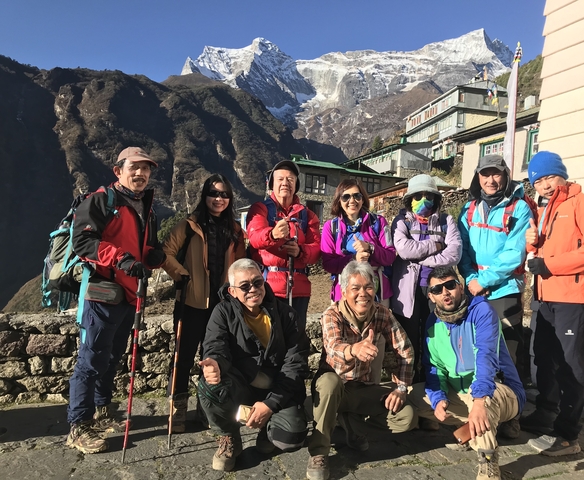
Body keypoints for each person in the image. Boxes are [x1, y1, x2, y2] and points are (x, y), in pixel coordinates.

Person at [66, 147, 166, 453]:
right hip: (102, 291)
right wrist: (120, 259)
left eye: (146, 169)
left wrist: (152, 256)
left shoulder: (145, 207)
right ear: (118, 171)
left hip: (129, 293)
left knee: (111, 356)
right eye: (134, 167)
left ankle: (102, 410)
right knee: (91, 358)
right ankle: (78, 426)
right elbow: (82, 240)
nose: (140, 173)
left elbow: (143, 249)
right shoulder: (99, 201)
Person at [521, 151, 584, 456]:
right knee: (545, 359)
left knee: (571, 368)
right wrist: (532, 242)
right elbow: (543, 252)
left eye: (549, 177)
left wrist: (549, 265)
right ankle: (545, 415)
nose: (544, 184)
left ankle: (568, 436)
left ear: (561, 174)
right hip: (546, 297)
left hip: (574, 298)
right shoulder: (547, 208)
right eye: (538, 180)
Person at [408, 266, 525, 480]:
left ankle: (488, 466)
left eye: (450, 285)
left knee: (482, 401)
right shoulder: (432, 323)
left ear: (460, 287)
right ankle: (470, 427)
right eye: (437, 289)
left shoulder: (482, 311)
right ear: (431, 296)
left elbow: (486, 358)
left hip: (497, 389)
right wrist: (438, 398)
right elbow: (434, 367)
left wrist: (479, 400)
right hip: (460, 392)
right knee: (410, 397)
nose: (445, 292)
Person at [306, 261, 416, 480]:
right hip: (333, 388)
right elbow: (334, 352)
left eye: (368, 287)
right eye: (355, 288)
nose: (362, 294)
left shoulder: (382, 314)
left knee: (407, 417)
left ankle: (352, 423)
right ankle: (319, 451)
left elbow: (405, 350)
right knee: (330, 383)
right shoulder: (332, 314)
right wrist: (353, 350)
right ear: (344, 291)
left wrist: (401, 388)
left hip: (361, 389)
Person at [197, 259, 309, 472]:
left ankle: (268, 427)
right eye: (245, 286)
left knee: (290, 438)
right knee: (209, 386)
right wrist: (214, 363)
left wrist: (270, 404)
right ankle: (228, 436)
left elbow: (296, 363)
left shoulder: (287, 314)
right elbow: (215, 345)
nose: (253, 290)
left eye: (257, 282)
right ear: (232, 290)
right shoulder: (222, 312)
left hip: (277, 387)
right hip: (242, 385)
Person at [162, 174, 246, 432]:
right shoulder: (189, 225)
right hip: (191, 301)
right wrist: (182, 275)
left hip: (221, 306)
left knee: (214, 358)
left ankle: (206, 407)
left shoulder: (234, 231)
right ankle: (176, 411)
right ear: (205, 196)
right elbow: (165, 252)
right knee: (183, 357)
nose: (218, 199)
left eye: (223, 194)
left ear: (230, 198)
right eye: (213, 193)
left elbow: (241, 264)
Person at [457, 155, 533, 438]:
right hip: (475, 289)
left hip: (504, 290)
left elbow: (515, 253)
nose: (491, 180)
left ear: (505, 176)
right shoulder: (468, 208)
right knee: (479, 349)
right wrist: (471, 279)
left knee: (509, 354)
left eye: (496, 174)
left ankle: (512, 414)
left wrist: (484, 280)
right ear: (478, 178)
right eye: (485, 174)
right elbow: (462, 249)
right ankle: (482, 409)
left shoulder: (519, 208)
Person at [391, 174, 462, 383]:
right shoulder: (401, 221)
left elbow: (454, 253)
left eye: (428, 195)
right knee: (409, 338)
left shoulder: (446, 221)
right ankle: (409, 383)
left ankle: (435, 381)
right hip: (407, 292)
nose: (423, 200)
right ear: (409, 199)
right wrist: (434, 246)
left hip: (437, 289)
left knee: (435, 335)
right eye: (417, 196)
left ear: (436, 198)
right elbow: (403, 249)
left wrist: (423, 260)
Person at [246, 159, 321, 330]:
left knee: (296, 342)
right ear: (272, 183)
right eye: (280, 179)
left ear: (296, 185)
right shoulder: (260, 209)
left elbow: (316, 249)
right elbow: (255, 238)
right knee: (268, 340)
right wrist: (272, 234)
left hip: (299, 289)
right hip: (266, 288)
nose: (285, 183)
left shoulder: (307, 216)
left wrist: (300, 251)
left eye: (290, 179)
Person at [320, 178, 396, 306]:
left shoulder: (378, 222)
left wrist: (371, 248)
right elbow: (328, 264)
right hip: (343, 291)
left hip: (376, 291)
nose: (352, 201)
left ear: (362, 198)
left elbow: (390, 256)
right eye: (346, 197)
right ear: (339, 200)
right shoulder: (331, 227)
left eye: (357, 195)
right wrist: (354, 259)